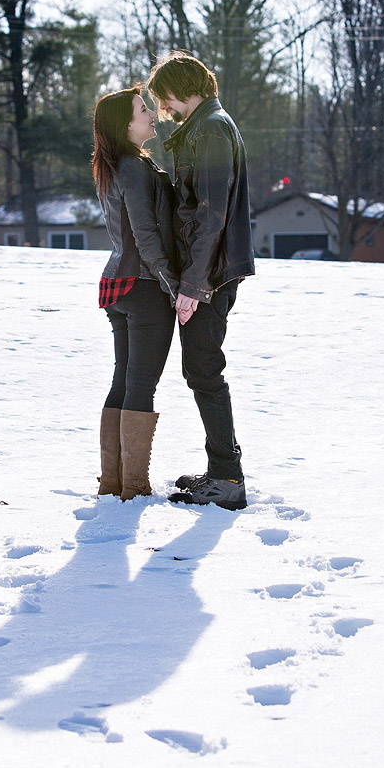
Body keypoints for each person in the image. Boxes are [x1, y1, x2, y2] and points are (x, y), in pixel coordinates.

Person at [146, 51, 254, 511]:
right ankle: (220, 468)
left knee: (205, 370)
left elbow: (211, 213)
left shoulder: (210, 127)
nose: (163, 110)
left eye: (163, 98)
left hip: (209, 271)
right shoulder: (205, 125)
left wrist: (194, 284)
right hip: (207, 268)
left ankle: (228, 478)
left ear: (179, 88)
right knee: (200, 369)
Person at [92, 85, 180, 501]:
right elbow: (145, 234)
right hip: (143, 286)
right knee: (140, 382)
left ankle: (113, 483)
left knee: (124, 380)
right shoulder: (133, 167)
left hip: (118, 284)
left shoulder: (114, 166)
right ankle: (133, 487)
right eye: (142, 109)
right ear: (124, 124)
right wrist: (171, 282)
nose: (150, 113)